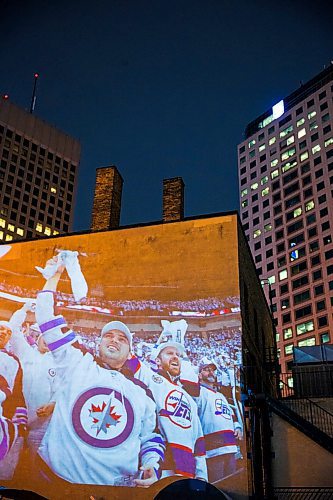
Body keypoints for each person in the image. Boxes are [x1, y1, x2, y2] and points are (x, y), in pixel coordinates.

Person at [35, 254, 165, 487]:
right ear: (99, 343)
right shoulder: (77, 361)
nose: (114, 340)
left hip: (113, 491)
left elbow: (151, 437)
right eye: (108, 335)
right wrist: (55, 274)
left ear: (130, 352)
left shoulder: (142, 391)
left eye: (122, 338)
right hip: (53, 481)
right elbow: (45, 316)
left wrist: (152, 465)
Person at [127, 336, 207, 481]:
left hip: (189, 473)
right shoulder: (152, 379)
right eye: (170, 353)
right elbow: (128, 357)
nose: (175, 357)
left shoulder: (189, 399)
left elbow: (198, 440)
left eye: (178, 355)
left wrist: (202, 476)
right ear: (157, 360)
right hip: (159, 470)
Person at [7, 302, 59, 463]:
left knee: (33, 467)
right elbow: (13, 330)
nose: (48, 341)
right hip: (17, 421)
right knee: (10, 466)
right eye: (45, 336)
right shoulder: (25, 352)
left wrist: (52, 405)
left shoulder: (58, 363)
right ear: (38, 337)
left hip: (41, 426)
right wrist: (23, 310)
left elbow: (61, 390)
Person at [196, 358, 243, 483]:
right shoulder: (198, 392)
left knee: (232, 485)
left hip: (230, 446)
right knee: (218, 486)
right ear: (199, 374)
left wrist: (237, 427)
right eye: (206, 370)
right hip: (213, 448)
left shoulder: (220, 395)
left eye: (213, 370)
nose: (211, 372)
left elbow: (231, 415)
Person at [0, 321, 27, 480]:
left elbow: (17, 393)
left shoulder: (13, 361)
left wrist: (19, 423)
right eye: (1, 329)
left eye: (8, 332)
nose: (4, 333)